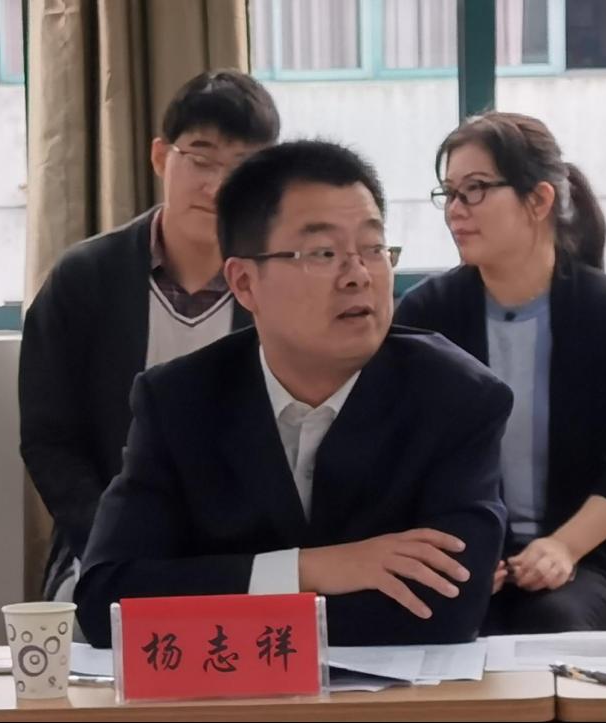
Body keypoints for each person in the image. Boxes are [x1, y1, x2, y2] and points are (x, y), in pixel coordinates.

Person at [75, 140, 513, 648]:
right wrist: (312, 569)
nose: (358, 276)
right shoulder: (179, 401)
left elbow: (447, 611)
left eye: (373, 249)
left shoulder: (457, 398)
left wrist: (222, 597)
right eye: (323, 253)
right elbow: (109, 602)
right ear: (244, 283)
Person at [19, 70, 281, 602]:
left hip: (251, 549)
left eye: (242, 167)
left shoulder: (280, 283)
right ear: (161, 156)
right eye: (201, 159)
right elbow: (50, 440)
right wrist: (112, 539)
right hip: (108, 545)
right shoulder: (84, 279)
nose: (217, 186)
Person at [395, 112, 606, 634]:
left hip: (584, 552)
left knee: (555, 622)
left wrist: (564, 547)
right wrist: (466, 546)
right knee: (445, 621)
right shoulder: (426, 313)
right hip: (465, 552)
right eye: (449, 193)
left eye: (475, 189)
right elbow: (406, 454)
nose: (455, 210)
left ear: (538, 201)